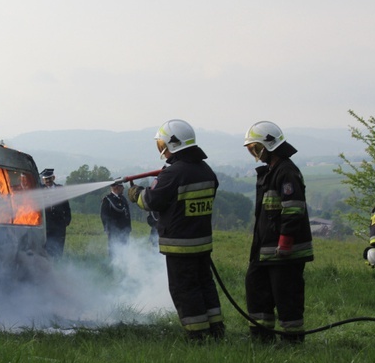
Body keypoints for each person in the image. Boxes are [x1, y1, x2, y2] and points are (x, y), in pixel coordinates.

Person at [128, 119, 224, 341]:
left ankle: (198, 336)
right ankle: (216, 330)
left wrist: (136, 194)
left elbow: (152, 201)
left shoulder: (174, 174)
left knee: (185, 290)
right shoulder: (205, 170)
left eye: (162, 144)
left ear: (173, 144)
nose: (161, 148)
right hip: (202, 242)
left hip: (180, 245)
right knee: (204, 285)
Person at [243, 121, 313, 344]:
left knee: (287, 298)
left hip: (284, 252)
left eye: (256, 148)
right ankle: (261, 339)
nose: (254, 153)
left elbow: (293, 209)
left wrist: (285, 242)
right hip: (266, 250)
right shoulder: (271, 171)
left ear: (268, 146)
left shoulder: (286, 172)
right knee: (256, 291)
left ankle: (292, 342)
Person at [40, 168, 72, 259]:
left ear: (53, 178)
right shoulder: (40, 189)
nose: (48, 181)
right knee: (46, 247)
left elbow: (66, 205)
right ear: (43, 180)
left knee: (59, 247)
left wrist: (67, 220)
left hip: (59, 224)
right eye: (46, 179)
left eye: (49, 178)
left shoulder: (60, 188)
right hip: (47, 224)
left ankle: (58, 264)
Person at [100, 181, 131, 257]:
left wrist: (128, 227)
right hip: (113, 230)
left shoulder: (123, 198)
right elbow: (104, 215)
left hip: (124, 229)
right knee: (114, 250)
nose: (123, 188)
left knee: (124, 249)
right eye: (121, 186)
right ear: (117, 187)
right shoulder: (107, 200)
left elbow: (127, 214)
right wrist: (107, 228)